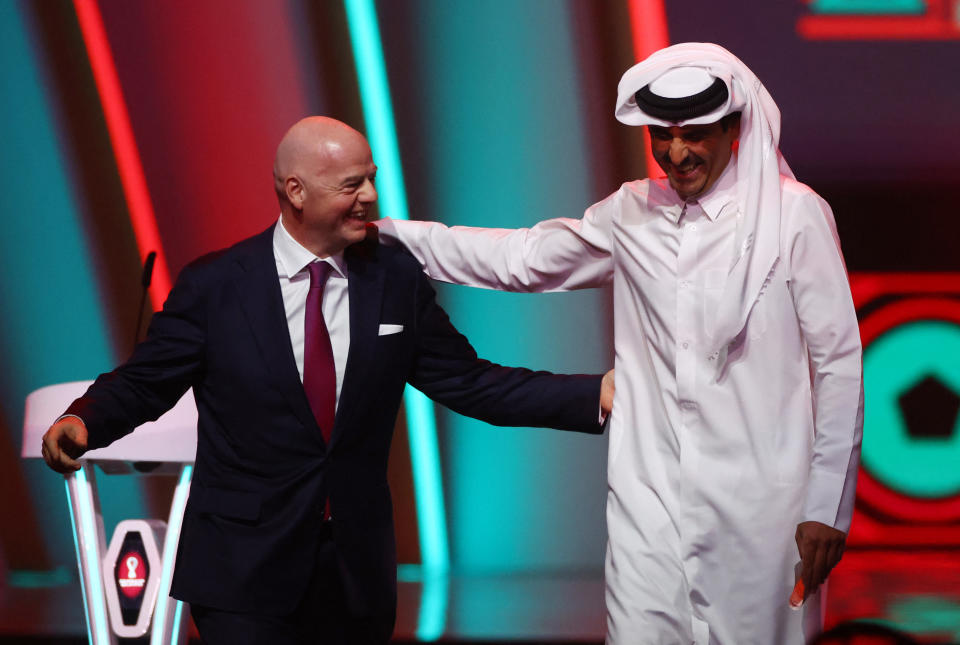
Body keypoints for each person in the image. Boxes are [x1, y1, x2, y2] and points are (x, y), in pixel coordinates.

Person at [40, 117, 614, 645]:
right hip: (242, 573)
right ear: (295, 191)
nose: (370, 197)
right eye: (351, 184)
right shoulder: (216, 286)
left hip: (353, 580)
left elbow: (474, 383)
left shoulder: (394, 279)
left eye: (371, 179)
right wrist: (84, 419)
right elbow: (147, 380)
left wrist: (596, 395)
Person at [377, 43, 863, 644]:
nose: (677, 152)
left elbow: (839, 364)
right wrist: (387, 237)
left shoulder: (795, 216)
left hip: (762, 511)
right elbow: (523, 259)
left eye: (695, 134)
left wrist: (826, 508)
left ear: (734, 126)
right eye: (664, 134)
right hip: (647, 505)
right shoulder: (631, 211)